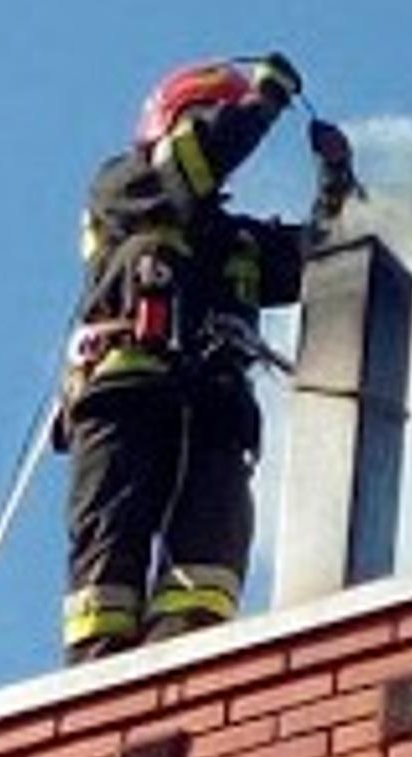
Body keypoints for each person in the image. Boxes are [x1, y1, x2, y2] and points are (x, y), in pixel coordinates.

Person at [55, 53, 359, 664]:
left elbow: (331, 259)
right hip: (127, 395)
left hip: (216, 409)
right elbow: (191, 165)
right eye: (204, 118)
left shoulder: (237, 241)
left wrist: (336, 180)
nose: (219, 131)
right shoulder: (122, 186)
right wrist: (263, 102)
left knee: (212, 550)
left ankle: (185, 658)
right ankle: (98, 672)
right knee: (113, 549)